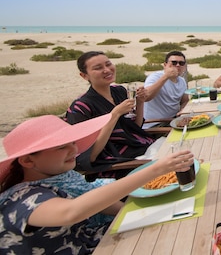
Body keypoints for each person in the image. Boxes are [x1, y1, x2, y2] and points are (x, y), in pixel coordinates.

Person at [0, 113, 193, 254]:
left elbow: (104, 204)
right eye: (61, 147)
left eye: (72, 143)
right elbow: (71, 212)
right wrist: (156, 169)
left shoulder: (63, 177)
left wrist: (149, 215)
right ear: (27, 161)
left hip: (104, 239)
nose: (73, 150)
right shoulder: (20, 199)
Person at [65, 51, 157, 181]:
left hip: (141, 147)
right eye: (98, 68)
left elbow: (135, 128)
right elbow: (88, 156)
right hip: (120, 164)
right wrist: (114, 115)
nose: (107, 70)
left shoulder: (119, 91)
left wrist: (140, 102)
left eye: (108, 64)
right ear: (84, 75)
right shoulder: (81, 107)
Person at [143, 51, 190, 129]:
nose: (178, 65)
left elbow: (184, 101)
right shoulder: (155, 77)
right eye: (174, 63)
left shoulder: (181, 81)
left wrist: (182, 110)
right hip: (154, 124)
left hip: (173, 120)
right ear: (165, 65)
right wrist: (166, 76)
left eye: (181, 63)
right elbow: (146, 97)